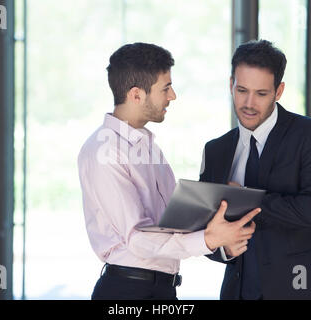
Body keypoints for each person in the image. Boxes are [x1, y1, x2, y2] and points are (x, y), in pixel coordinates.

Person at [78, 42, 260, 300]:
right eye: (165, 88)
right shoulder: (103, 152)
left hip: (161, 288)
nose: (172, 96)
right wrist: (208, 239)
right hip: (128, 292)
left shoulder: (147, 147)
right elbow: (138, 239)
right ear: (136, 95)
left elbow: (171, 222)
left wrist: (220, 206)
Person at [200, 39, 311, 300]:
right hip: (240, 290)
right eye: (242, 90)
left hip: (304, 288)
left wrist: (246, 198)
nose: (248, 103)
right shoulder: (216, 150)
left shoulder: (310, 134)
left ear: (278, 91)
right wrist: (224, 249)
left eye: (261, 94)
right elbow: (206, 231)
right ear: (230, 85)